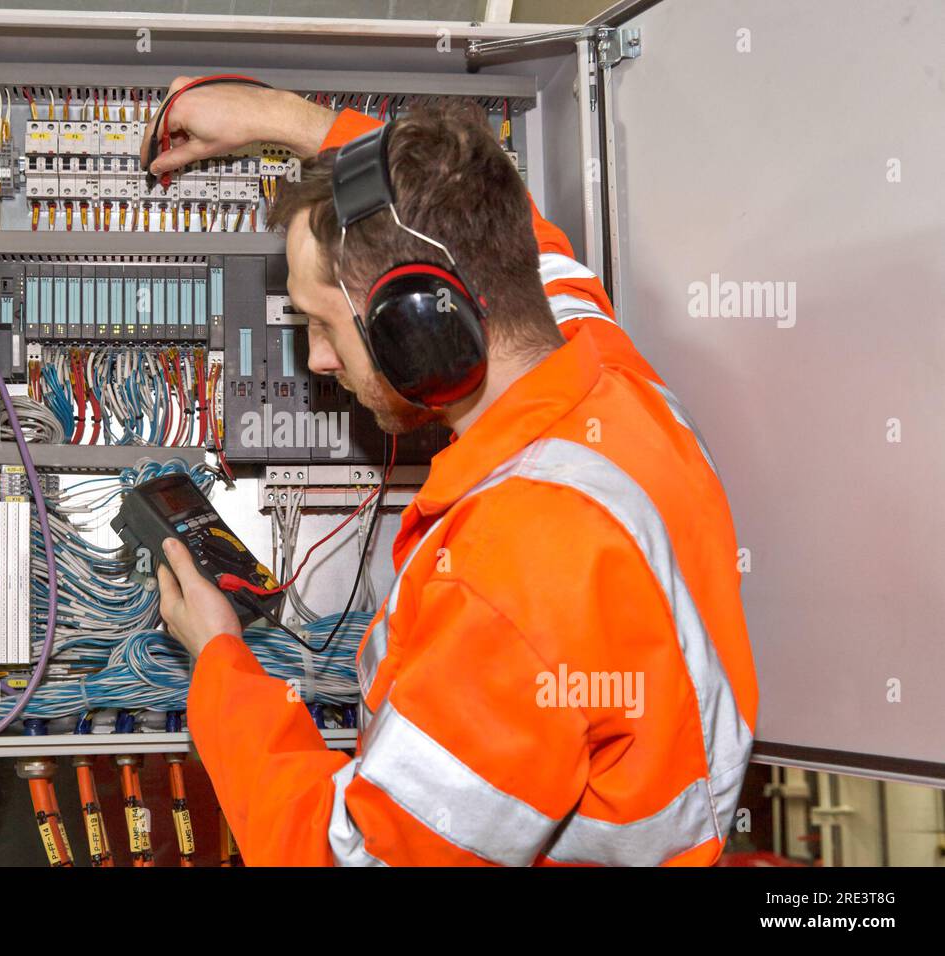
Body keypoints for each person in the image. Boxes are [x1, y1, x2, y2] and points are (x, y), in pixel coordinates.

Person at [146, 78, 758, 866]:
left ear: (418, 327)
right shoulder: (612, 379)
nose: (319, 362)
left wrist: (219, 662)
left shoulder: (511, 577)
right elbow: (514, 227)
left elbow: (347, 859)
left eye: (322, 326)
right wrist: (277, 120)